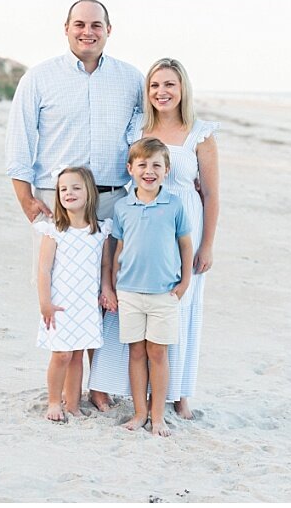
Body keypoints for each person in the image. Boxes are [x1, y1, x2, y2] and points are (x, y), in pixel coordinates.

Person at [5, 0, 142, 412]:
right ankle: (62, 387)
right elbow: (20, 141)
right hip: (57, 201)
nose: (88, 31)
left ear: (109, 30)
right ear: (66, 28)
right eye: (80, 24)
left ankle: (99, 385)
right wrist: (27, 200)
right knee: (59, 287)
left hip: (114, 198)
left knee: (109, 292)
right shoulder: (39, 78)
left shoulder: (131, 79)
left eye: (96, 24)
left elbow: (147, 135)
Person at [87, 59, 220, 420]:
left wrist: (207, 244)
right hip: (140, 223)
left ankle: (178, 394)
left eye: (170, 85)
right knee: (129, 306)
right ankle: (111, 385)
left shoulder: (200, 134)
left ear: (183, 90)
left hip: (183, 225)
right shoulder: (137, 127)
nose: (162, 92)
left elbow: (211, 194)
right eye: (155, 85)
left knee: (180, 306)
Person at [98, 137, 193, 437]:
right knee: (136, 353)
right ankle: (139, 413)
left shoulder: (174, 205)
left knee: (158, 353)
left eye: (156, 165)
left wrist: (185, 283)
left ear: (166, 170)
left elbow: (186, 246)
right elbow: (119, 249)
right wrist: (112, 285)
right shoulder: (124, 207)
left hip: (164, 293)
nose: (149, 171)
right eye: (142, 165)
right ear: (130, 169)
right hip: (129, 293)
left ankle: (158, 415)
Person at [34, 165, 111, 423]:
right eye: (63, 189)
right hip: (60, 305)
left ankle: (73, 403)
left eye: (76, 187)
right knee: (62, 354)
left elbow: (105, 266)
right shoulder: (55, 230)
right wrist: (45, 303)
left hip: (86, 304)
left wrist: (107, 290)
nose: (69, 193)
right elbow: (43, 270)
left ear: (89, 192)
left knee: (78, 354)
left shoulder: (100, 231)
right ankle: (55, 400)